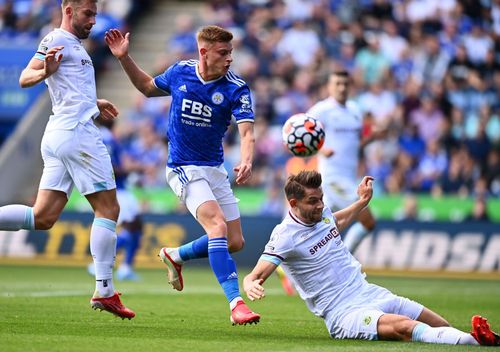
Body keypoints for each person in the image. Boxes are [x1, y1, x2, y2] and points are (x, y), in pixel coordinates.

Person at [105, 25, 260, 325]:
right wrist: (124, 58)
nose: (230, 59)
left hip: (214, 169)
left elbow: (247, 132)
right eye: (223, 53)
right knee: (217, 227)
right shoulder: (180, 72)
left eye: (231, 53)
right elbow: (148, 88)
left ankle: (176, 254)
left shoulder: (236, 87)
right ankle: (236, 304)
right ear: (204, 52)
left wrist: (246, 160)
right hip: (183, 167)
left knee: (235, 241)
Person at [243, 170, 499, 346]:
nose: (320, 205)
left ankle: (471, 339)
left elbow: (337, 220)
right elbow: (255, 275)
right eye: (313, 201)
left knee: (437, 323)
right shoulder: (285, 236)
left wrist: (362, 201)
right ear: (293, 202)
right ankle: (477, 341)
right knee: (405, 328)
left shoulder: (322, 213)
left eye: (321, 199)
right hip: (343, 312)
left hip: (370, 292)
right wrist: (252, 284)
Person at [0, 0, 135, 319]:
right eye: (88, 14)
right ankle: (104, 291)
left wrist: (93, 101)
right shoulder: (57, 38)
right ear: (70, 10)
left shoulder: (71, 44)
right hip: (77, 134)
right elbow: (25, 77)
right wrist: (45, 71)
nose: (93, 21)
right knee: (108, 208)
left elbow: (67, 85)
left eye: (95, 15)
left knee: (43, 217)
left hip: (61, 131)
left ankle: (105, 290)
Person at [307, 70, 378, 252]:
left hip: (349, 177)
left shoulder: (355, 110)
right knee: (368, 221)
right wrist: (320, 150)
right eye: (337, 83)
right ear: (329, 87)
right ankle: (345, 261)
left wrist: (373, 137)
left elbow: (354, 144)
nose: (342, 87)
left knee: (320, 229)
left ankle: (288, 265)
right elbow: (299, 136)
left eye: (345, 84)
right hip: (332, 177)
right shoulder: (321, 110)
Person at [87, 119, 143, 281]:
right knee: (130, 227)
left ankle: (126, 267)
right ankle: (98, 263)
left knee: (136, 226)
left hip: (122, 188)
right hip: (116, 189)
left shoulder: (108, 136)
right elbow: (108, 165)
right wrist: (129, 170)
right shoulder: (106, 137)